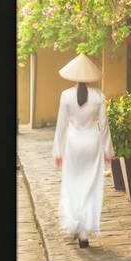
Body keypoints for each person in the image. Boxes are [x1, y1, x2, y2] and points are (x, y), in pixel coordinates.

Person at [52, 53, 114, 248]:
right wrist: (108, 151)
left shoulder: (66, 96)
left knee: (72, 186)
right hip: (92, 143)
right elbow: (104, 126)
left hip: (73, 144)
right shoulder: (99, 96)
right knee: (90, 188)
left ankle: (73, 225)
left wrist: (58, 151)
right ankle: (84, 234)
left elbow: (61, 126)